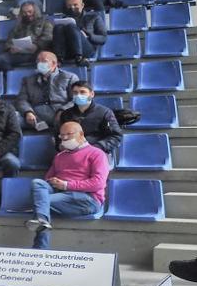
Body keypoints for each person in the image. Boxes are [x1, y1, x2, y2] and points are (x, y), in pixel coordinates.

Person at [27, 121, 108, 249]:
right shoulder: (60, 156)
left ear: (81, 134)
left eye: (68, 134)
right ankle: (41, 221)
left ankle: (40, 248)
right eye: (61, 135)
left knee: (41, 203)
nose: (64, 138)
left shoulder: (97, 154)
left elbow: (98, 183)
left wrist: (66, 185)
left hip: (87, 199)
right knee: (38, 183)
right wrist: (53, 182)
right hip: (61, 194)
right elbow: (48, 178)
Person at [13, 51, 78, 132]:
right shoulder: (28, 80)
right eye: (38, 61)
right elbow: (22, 100)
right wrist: (28, 112)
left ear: (54, 63)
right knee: (12, 117)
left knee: (72, 119)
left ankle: (59, 137)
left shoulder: (70, 77)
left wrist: (62, 110)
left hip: (60, 114)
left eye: (44, 61)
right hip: (35, 116)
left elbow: (75, 100)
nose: (40, 63)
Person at [54, 81, 122, 157]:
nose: (78, 95)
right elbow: (58, 135)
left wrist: (96, 147)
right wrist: (60, 145)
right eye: (75, 92)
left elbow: (116, 136)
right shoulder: (66, 114)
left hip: (97, 154)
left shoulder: (105, 112)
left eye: (82, 92)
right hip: (71, 154)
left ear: (92, 94)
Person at [0, 1, 52, 71]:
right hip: (20, 53)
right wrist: (11, 48)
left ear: (35, 11)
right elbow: (9, 41)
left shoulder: (45, 23)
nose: (27, 14)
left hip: (38, 52)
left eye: (30, 12)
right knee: (0, 59)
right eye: (24, 12)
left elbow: (48, 37)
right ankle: (12, 76)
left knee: (45, 58)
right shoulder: (17, 26)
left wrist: (37, 46)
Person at [52, 0, 107, 66]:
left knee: (71, 26)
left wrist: (89, 36)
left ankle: (79, 58)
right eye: (69, 5)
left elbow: (103, 38)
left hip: (87, 48)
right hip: (68, 50)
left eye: (75, 5)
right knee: (58, 27)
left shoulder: (94, 17)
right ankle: (59, 58)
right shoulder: (64, 19)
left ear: (82, 5)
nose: (72, 7)